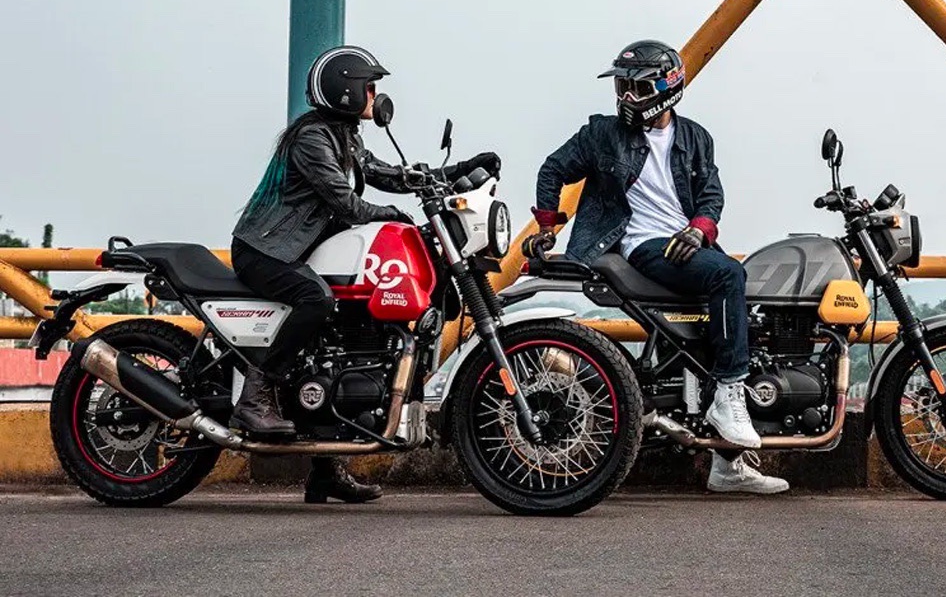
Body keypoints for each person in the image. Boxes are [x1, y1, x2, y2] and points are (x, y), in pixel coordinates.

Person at [230, 45, 497, 503]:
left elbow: (385, 173)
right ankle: (255, 394)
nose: (376, 95)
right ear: (348, 91)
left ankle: (325, 470)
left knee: (341, 337)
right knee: (316, 302)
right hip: (266, 250)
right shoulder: (313, 139)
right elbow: (346, 202)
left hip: (299, 249)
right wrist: (393, 215)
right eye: (369, 86)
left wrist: (453, 172)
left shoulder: (344, 134)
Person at [528, 40, 788, 495]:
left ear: (666, 89)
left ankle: (727, 467)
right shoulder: (602, 134)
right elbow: (553, 170)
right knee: (730, 274)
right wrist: (548, 226)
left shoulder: (695, 138)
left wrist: (700, 229)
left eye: (635, 87)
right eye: (621, 87)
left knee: (727, 327)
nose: (624, 97)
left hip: (685, 245)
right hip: (640, 245)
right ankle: (730, 395)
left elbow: (711, 195)